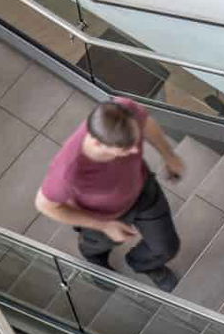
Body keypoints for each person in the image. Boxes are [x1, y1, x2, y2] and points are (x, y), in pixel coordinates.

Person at [34, 95, 186, 292]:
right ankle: (96, 261)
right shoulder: (68, 170)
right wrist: (104, 225)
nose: (134, 150)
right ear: (98, 144)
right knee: (96, 246)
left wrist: (169, 155)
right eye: (124, 148)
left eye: (135, 141)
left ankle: (143, 263)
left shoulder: (123, 109)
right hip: (101, 215)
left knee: (167, 247)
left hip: (143, 191)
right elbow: (45, 205)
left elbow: (146, 122)